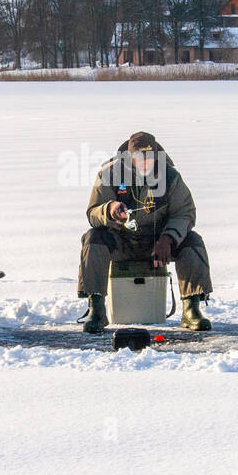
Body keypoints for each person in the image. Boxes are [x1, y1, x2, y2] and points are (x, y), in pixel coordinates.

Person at [78, 131, 212, 333]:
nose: (145, 162)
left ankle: (191, 309)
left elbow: (185, 213)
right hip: (121, 240)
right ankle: (95, 309)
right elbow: (93, 213)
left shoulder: (170, 176)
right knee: (93, 238)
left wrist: (168, 239)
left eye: (150, 157)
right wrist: (110, 209)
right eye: (139, 157)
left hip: (158, 244)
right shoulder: (110, 174)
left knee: (193, 241)